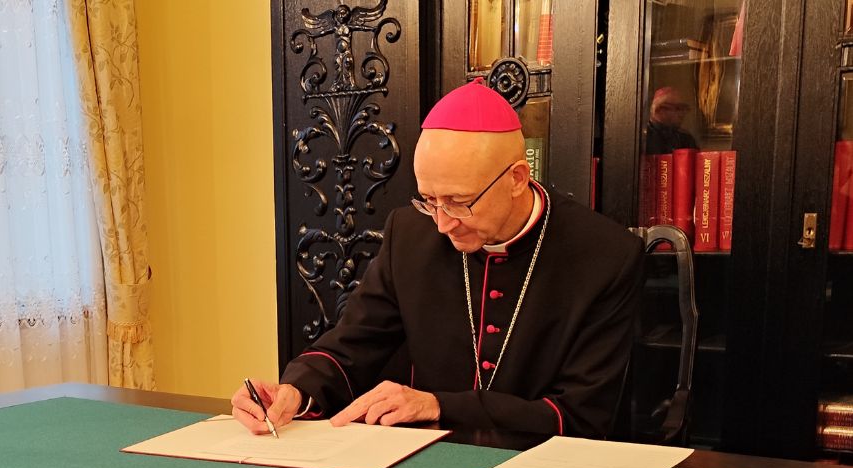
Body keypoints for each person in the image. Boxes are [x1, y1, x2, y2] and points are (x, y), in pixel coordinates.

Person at [233, 79, 645, 438]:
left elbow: (581, 416)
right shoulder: (411, 234)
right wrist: (296, 390)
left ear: (517, 178)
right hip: (423, 466)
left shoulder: (606, 255)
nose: (443, 224)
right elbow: (353, 344)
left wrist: (438, 406)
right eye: (430, 200)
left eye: (460, 202)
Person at [644, 86, 699, 155]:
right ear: (660, 109)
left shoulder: (686, 139)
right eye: (678, 108)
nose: (682, 114)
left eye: (684, 108)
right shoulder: (643, 137)